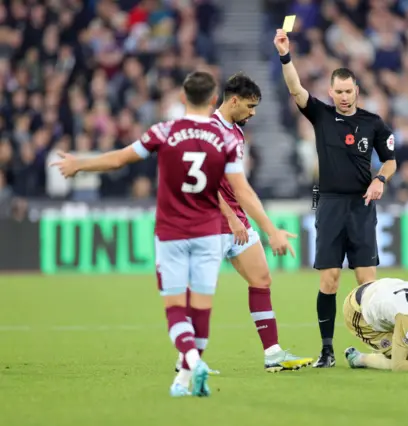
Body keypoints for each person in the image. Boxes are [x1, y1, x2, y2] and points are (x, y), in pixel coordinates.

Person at [51, 71, 296, 397]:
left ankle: (214, 360)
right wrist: (262, 227)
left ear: (183, 98)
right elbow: (237, 189)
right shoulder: (221, 137)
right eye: (249, 106)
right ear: (219, 99)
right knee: (200, 306)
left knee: (200, 300)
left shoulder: (168, 131)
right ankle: (188, 371)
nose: (252, 113)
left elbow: (121, 159)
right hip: (212, 229)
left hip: (183, 230)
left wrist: (81, 163)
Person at [274, 29, 398, 368]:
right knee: (329, 279)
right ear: (331, 92)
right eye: (338, 91)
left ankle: (379, 346)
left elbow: (390, 159)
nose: (343, 96)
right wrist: (286, 56)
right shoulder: (321, 115)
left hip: (362, 205)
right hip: (327, 202)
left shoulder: (372, 123)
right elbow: (295, 89)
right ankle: (327, 351)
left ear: (356, 90)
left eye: (348, 91)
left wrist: (380, 180)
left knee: (366, 282)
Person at [175, 73, 313, 374]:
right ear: (233, 100)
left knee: (262, 279)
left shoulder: (235, 133)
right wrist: (231, 218)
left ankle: (273, 353)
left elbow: (238, 187)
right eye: (250, 106)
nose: (253, 113)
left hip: (235, 221)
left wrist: (249, 222)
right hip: (208, 222)